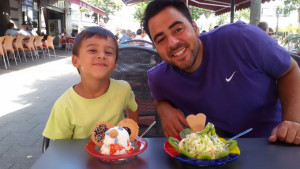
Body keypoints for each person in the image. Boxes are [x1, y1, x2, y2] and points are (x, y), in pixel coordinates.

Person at [142, 0, 300, 145]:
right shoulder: (159, 78)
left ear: (195, 28)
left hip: (272, 142)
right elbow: (158, 96)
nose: (173, 43)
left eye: (178, 29)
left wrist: (292, 122)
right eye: (160, 39)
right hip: (217, 153)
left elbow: (290, 70)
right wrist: (163, 108)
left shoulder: (241, 38)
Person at [43, 26, 139, 140]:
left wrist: (130, 134)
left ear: (115, 64)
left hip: (116, 155)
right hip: (80, 157)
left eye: (108, 52)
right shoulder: (64, 106)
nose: (101, 55)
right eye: (92, 50)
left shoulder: (123, 89)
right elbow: (60, 149)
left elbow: (134, 106)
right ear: (75, 61)